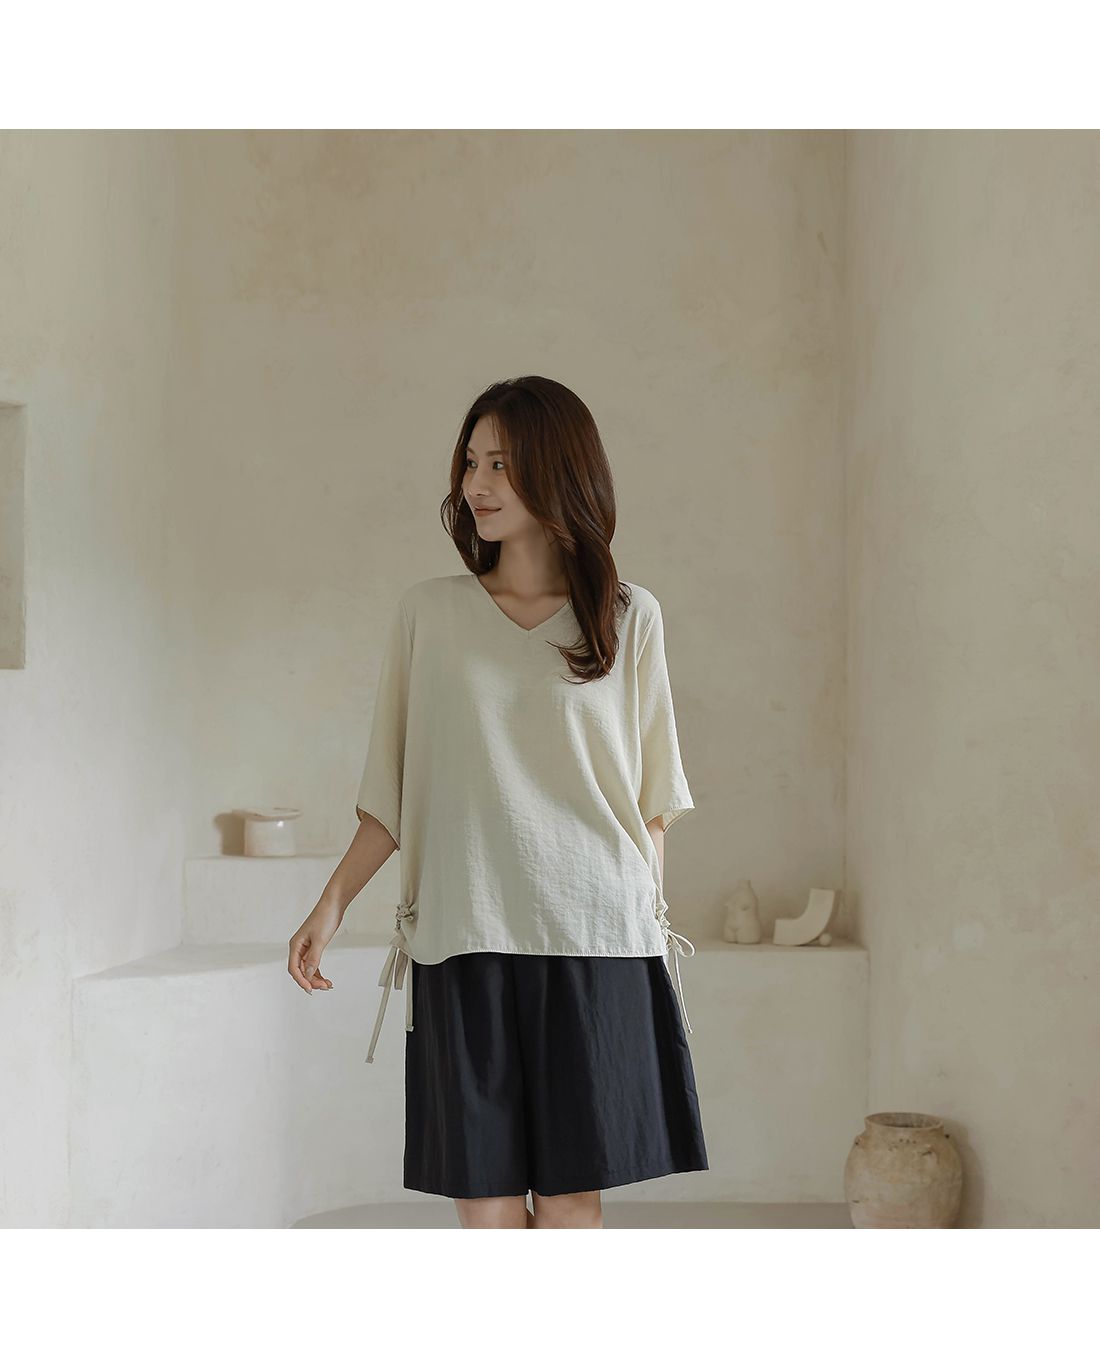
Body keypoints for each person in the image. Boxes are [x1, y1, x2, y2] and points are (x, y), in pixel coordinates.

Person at [289, 376, 708, 1229]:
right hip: (463, 934)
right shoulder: (429, 614)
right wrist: (330, 905)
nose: (476, 484)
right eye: (471, 462)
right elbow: (391, 787)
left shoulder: (630, 617)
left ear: (559, 471)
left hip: (594, 939)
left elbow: (651, 804)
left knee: (569, 1207)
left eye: (502, 465)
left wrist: (642, 929)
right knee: (485, 1214)